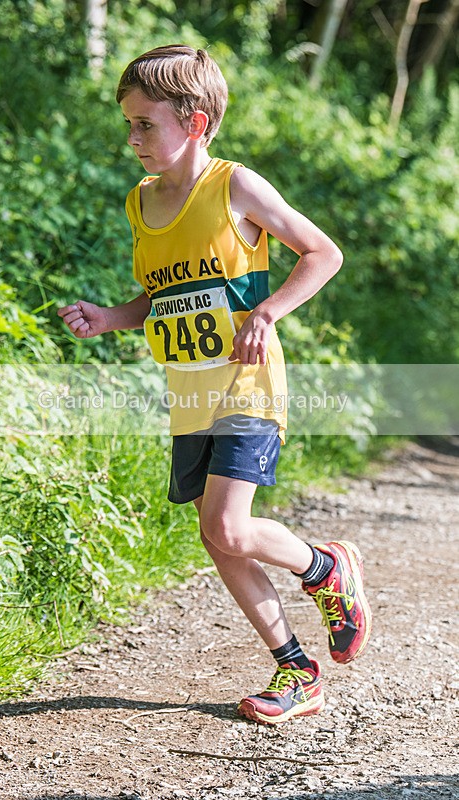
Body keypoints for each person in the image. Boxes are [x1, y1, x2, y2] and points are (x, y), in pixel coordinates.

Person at [58, 44, 371, 726]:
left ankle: (322, 568)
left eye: (145, 124)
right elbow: (161, 295)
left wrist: (267, 311)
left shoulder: (235, 187)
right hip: (190, 392)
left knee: (227, 524)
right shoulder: (140, 204)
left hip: (247, 385)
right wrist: (112, 317)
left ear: (194, 123)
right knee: (214, 535)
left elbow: (323, 252)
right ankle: (296, 669)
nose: (132, 138)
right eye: (128, 125)